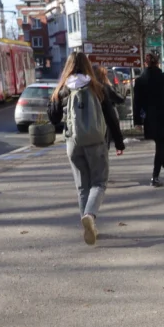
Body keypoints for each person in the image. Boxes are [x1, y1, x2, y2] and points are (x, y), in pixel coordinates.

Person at [48, 52, 126, 246]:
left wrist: (56, 99)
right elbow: (111, 118)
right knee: (99, 183)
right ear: (88, 66)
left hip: (73, 143)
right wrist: (119, 142)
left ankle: (88, 224)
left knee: (82, 186)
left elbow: (53, 118)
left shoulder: (62, 89)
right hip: (97, 142)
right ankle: (90, 216)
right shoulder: (98, 88)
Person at [132, 53, 164, 187]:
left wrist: (137, 122)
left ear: (145, 64)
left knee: (160, 145)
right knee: (160, 146)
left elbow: (137, 103)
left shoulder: (140, 80)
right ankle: (155, 176)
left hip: (151, 119)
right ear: (158, 63)